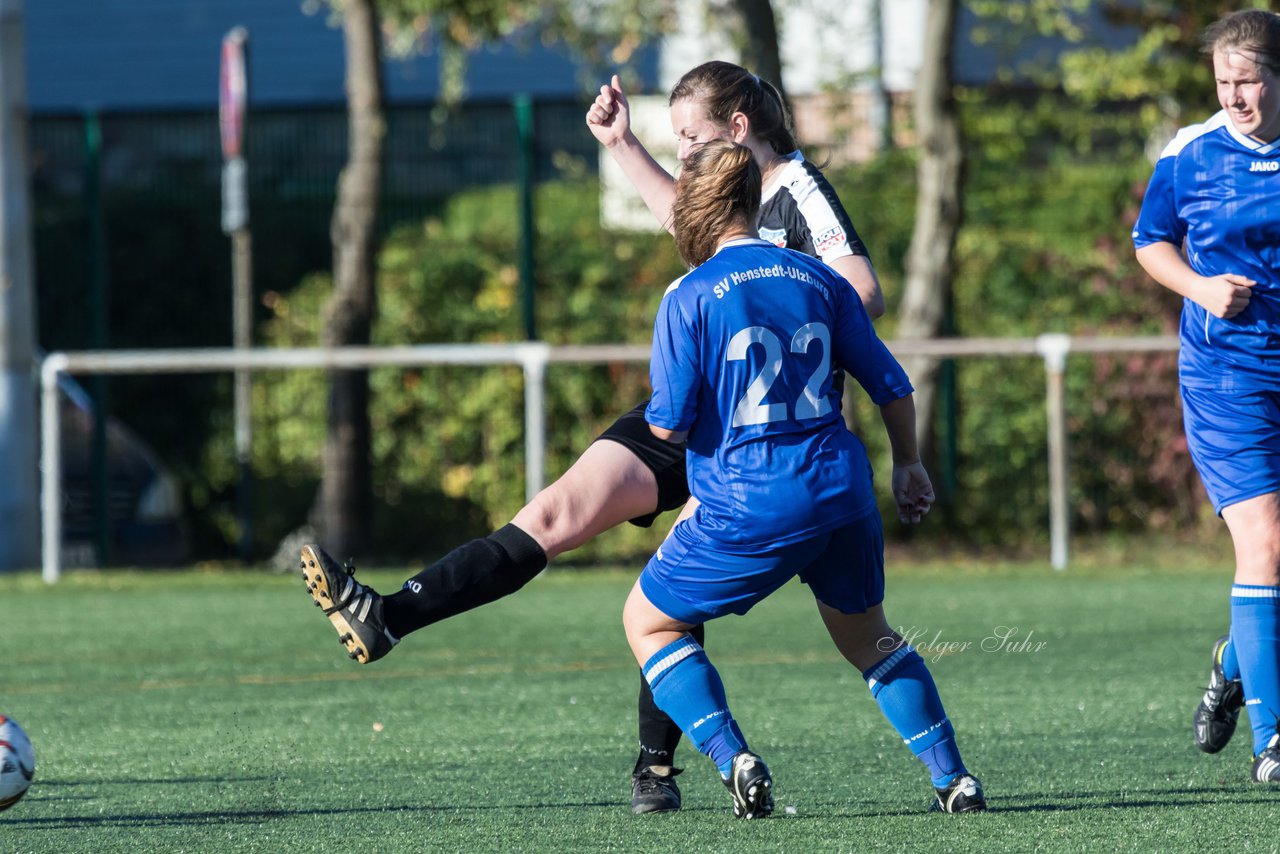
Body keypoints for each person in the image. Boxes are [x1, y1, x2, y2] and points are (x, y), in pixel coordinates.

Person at [298, 60, 887, 815]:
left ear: (739, 131)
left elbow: (862, 289)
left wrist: (779, 290)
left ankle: (656, 767)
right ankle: (387, 617)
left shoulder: (796, 187)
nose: (683, 151)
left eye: (691, 137)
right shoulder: (730, 196)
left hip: (763, 430)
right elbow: (693, 226)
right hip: (689, 408)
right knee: (551, 518)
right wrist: (620, 144)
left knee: (676, 583)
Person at [626, 137, 983, 817]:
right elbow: (891, 384)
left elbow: (668, 426)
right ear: (753, 201)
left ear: (693, 207)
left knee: (648, 622)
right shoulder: (818, 278)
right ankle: (954, 779)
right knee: (871, 640)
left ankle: (735, 759)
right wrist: (908, 463)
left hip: (747, 502)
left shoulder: (688, 296)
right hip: (840, 494)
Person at [1132, 9, 1280, 783]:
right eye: (1224, 82)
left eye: (1249, 80)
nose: (1235, 97)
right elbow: (1148, 240)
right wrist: (1198, 288)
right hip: (1228, 376)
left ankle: (1233, 661)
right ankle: (1273, 743)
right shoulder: (1191, 152)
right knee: (1265, 543)